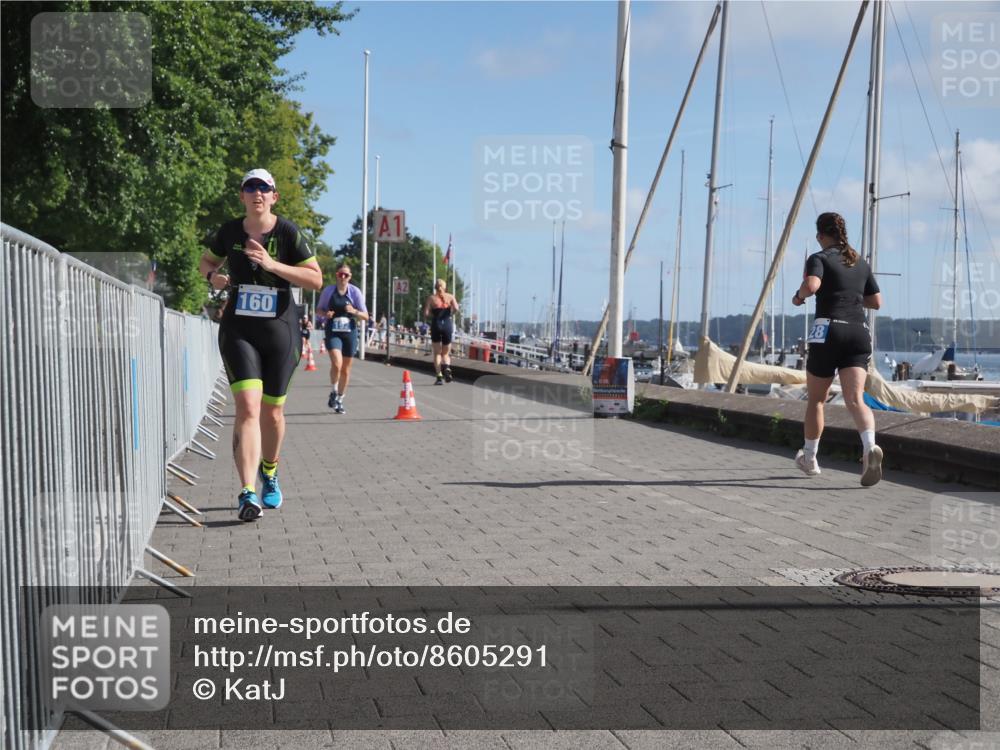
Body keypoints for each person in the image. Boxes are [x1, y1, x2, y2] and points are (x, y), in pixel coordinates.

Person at [200, 169, 323, 521]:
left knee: (272, 412)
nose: (257, 193)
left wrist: (271, 264)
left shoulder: (288, 233)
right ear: (241, 196)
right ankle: (247, 492)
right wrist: (213, 276)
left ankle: (269, 471)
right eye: (250, 187)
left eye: (264, 188)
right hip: (239, 328)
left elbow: (315, 279)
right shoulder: (229, 231)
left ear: (274, 196)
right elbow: (206, 260)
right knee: (248, 409)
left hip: (280, 330)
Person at [792, 212, 883, 487]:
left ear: (821, 235)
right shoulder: (859, 262)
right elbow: (876, 302)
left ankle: (809, 458)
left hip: (828, 330)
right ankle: (869, 449)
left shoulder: (819, 258)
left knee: (817, 400)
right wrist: (850, 296)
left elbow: (812, 285)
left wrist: (798, 297)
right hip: (858, 332)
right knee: (856, 399)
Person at [317, 263, 369, 413]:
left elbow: (365, 316)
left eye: (346, 275)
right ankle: (334, 390)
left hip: (349, 332)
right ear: (336, 275)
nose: (343, 277)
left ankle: (340, 398)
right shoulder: (328, 291)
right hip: (333, 330)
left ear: (350, 277)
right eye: (341, 274)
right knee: (337, 363)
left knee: (346, 369)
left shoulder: (355, 292)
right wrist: (325, 314)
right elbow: (319, 309)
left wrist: (354, 311)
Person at [423, 278, 460, 384]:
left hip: (436, 324)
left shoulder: (431, 298)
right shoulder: (450, 296)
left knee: (437, 353)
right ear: (444, 287)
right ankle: (447, 368)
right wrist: (449, 313)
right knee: (446, 353)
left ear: (435, 287)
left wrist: (433, 315)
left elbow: (426, 313)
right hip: (447, 324)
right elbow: (456, 308)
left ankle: (439, 376)